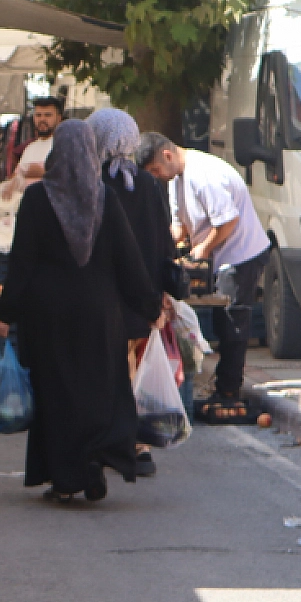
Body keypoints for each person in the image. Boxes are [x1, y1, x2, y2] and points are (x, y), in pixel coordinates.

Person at [0, 119, 161, 503]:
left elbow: (22, 264)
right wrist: (149, 306)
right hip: (100, 313)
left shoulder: (37, 199)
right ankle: (94, 459)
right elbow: (129, 262)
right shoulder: (105, 198)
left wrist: (4, 313)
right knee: (98, 386)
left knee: (57, 391)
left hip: (48, 314)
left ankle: (66, 477)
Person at [137, 132, 270, 423]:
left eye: (156, 170)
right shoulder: (176, 179)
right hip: (218, 257)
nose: (156, 177)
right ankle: (222, 386)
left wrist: (202, 250)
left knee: (232, 323)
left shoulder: (203, 174)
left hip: (241, 254)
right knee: (222, 322)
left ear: (167, 155)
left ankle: (228, 390)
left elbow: (228, 220)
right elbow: (179, 226)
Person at [91, 109, 182, 478]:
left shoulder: (93, 181)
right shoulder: (147, 185)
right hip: (140, 292)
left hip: (101, 291)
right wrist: (160, 293)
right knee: (131, 365)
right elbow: (162, 241)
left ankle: (105, 442)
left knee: (104, 367)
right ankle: (137, 446)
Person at [0, 97, 63, 215]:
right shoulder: (30, 148)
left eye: (48, 115)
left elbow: (67, 178)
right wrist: (12, 184)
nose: (42, 119)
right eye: (38, 115)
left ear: (59, 118)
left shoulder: (63, 145)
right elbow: (16, 175)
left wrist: (43, 172)